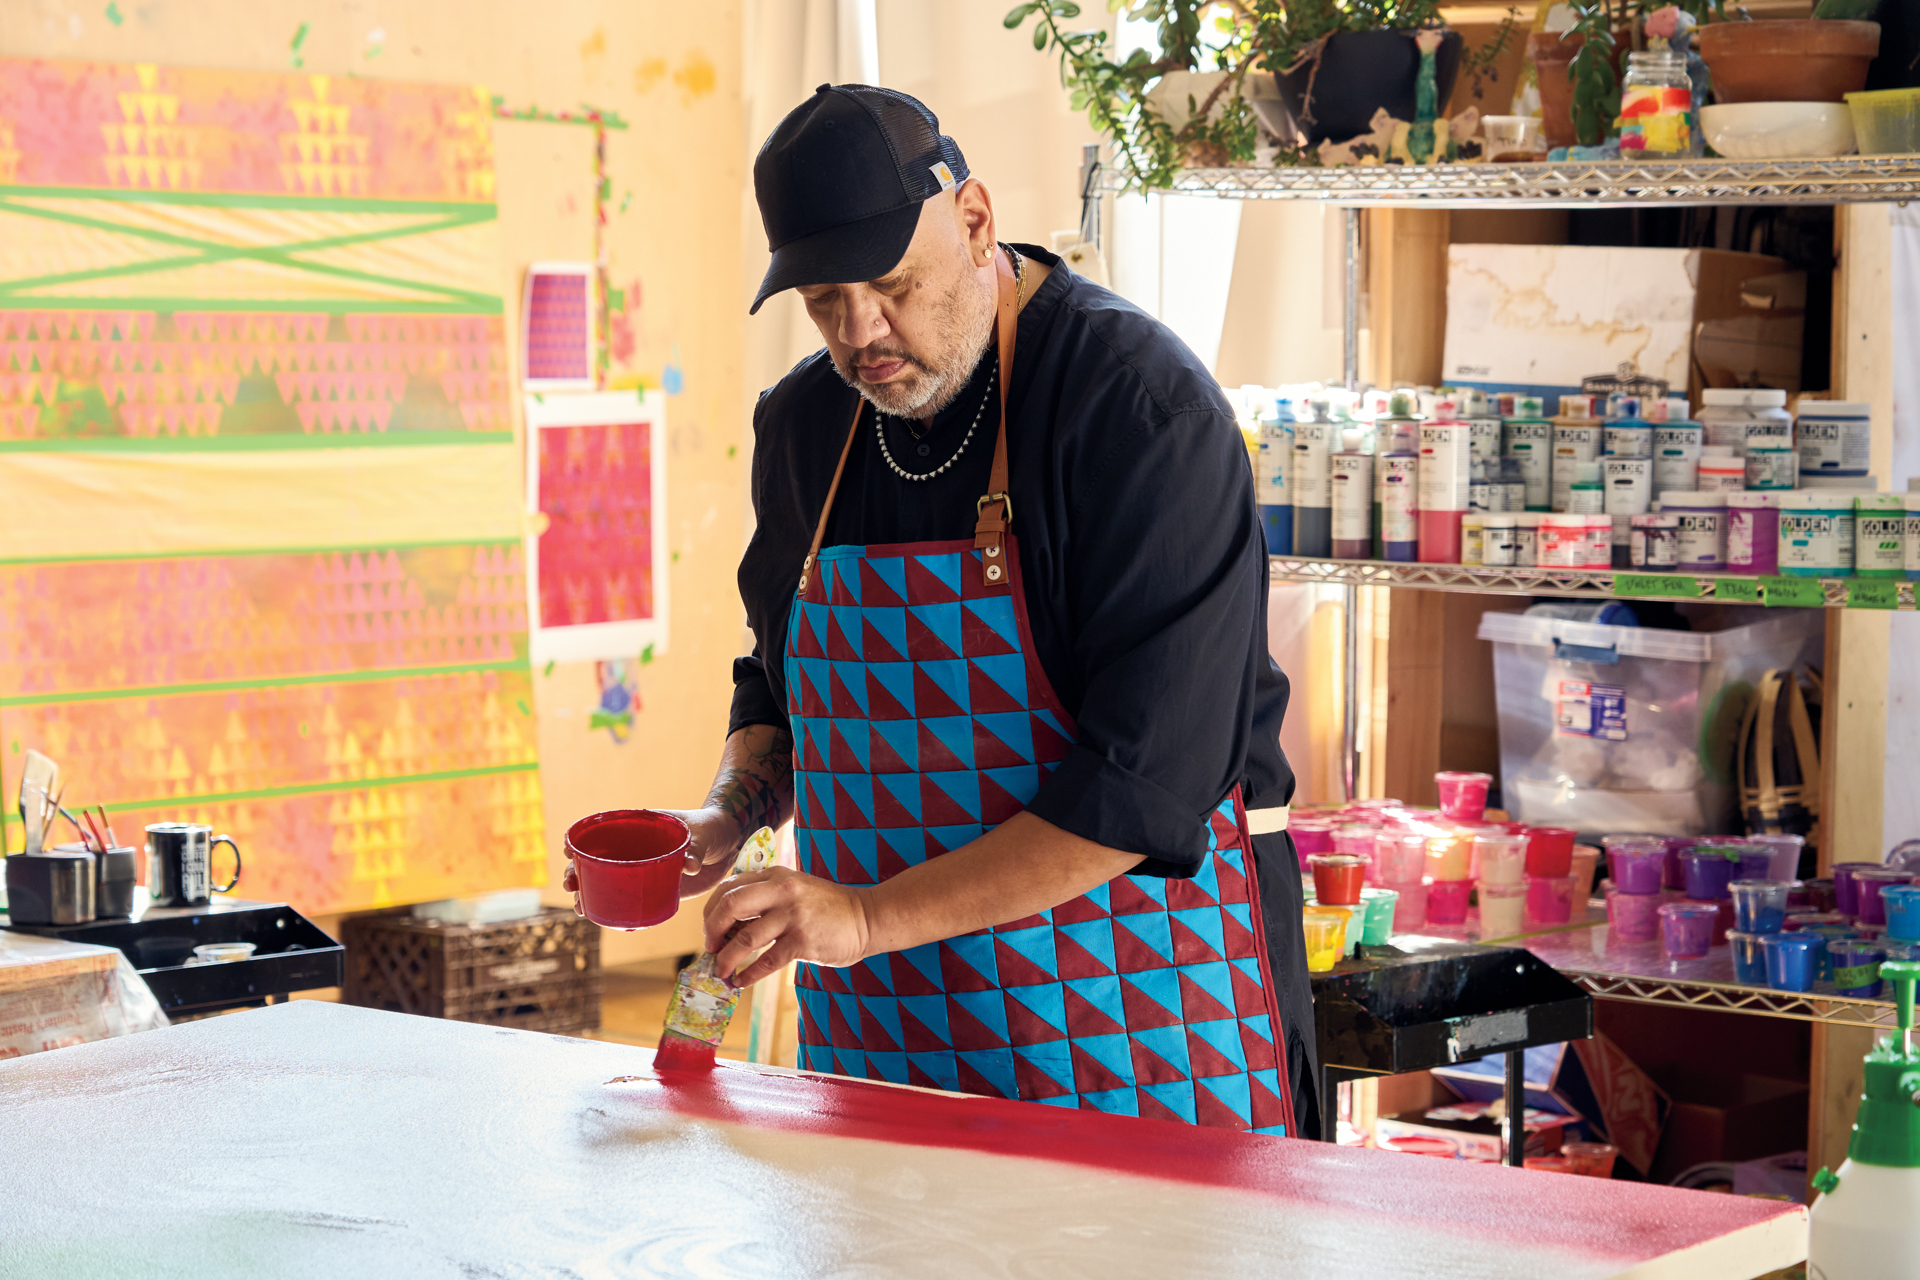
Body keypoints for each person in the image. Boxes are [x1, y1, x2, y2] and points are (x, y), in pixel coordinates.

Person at [568, 84, 1317, 1137]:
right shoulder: (805, 425)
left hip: (1133, 1028)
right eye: (825, 300)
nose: (861, 333)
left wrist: (868, 913)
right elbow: (781, 680)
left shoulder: (1140, 415)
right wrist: (729, 814)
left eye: (890, 285)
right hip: (885, 1027)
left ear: (973, 221)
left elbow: (1144, 787)